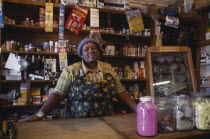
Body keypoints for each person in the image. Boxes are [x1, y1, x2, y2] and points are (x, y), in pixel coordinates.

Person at [22, 37, 137, 122]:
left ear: (99, 52)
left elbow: (119, 91)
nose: (91, 51)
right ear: (81, 54)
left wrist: (138, 110)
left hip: (105, 120)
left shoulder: (108, 69)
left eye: (94, 48)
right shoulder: (71, 70)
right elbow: (58, 94)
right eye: (86, 49)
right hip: (75, 122)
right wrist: (40, 115)